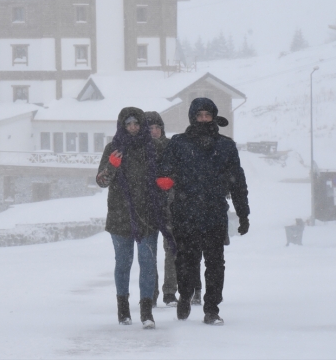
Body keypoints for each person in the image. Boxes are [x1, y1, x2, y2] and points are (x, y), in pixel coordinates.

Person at [157, 98, 250, 325]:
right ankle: (186, 295)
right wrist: (170, 181)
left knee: (215, 263)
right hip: (185, 213)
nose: (204, 119)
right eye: (199, 116)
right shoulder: (178, 143)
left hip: (214, 213)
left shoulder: (226, 146)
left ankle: (211, 309)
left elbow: (238, 182)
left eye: (208, 115)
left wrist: (243, 213)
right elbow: (162, 173)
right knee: (186, 262)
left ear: (213, 117)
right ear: (192, 117)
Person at [96, 107, 172, 329]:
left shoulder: (154, 147)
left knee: (147, 264)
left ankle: (147, 312)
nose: (132, 127)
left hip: (148, 215)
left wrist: (166, 181)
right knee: (123, 263)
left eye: (136, 123)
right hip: (120, 216)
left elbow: (168, 172)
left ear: (142, 125)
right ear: (122, 125)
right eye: (128, 123)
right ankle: (123, 310)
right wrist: (112, 165)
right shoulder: (113, 149)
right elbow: (101, 181)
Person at [144, 111, 179, 307]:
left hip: (169, 204)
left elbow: (180, 169)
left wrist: (171, 180)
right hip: (147, 206)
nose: (155, 131)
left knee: (171, 249)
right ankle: (152, 292)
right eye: (150, 128)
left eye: (158, 128)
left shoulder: (171, 147)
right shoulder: (140, 149)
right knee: (149, 252)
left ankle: (169, 292)